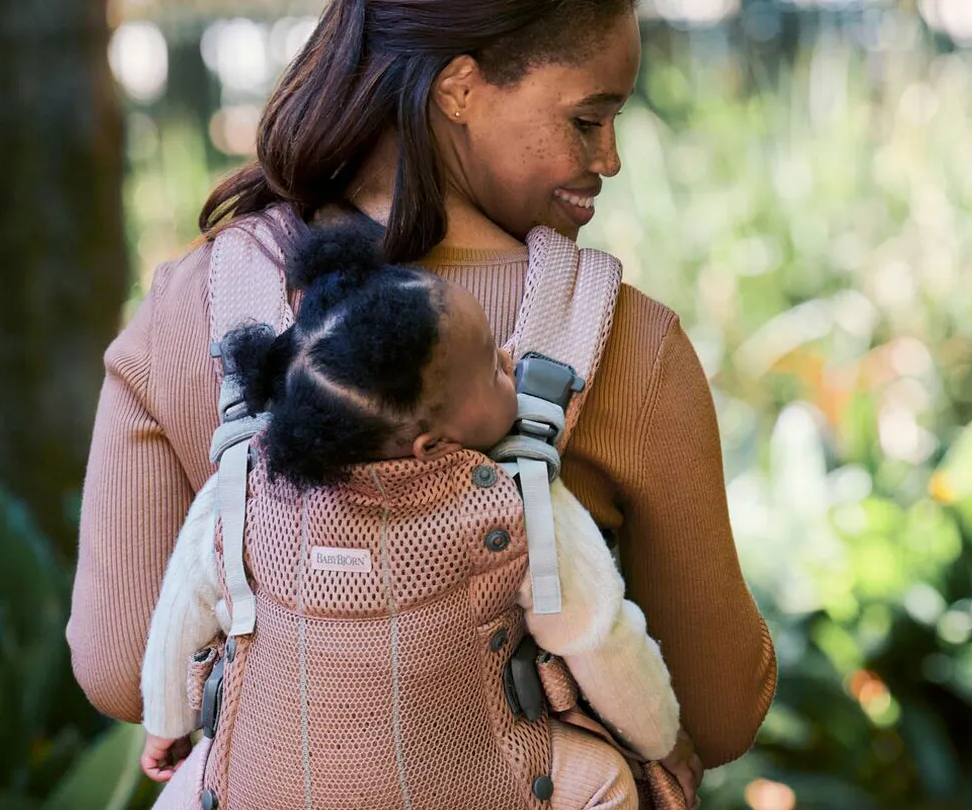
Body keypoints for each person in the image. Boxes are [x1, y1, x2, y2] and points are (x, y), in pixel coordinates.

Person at [68, 0, 776, 802]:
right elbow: (719, 716)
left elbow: (119, 672)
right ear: (459, 88)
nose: (609, 158)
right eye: (588, 119)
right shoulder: (627, 345)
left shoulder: (190, 308)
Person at [136, 225, 681, 806]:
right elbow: (601, 636)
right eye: (494, 372)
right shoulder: (516, 499)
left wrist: (167, 721)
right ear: (432, 446)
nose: (507, 358)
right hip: (473, 781)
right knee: (607, 783)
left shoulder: (241, 485)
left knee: (195, 789)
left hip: (268, 784)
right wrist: (658, 739)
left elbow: (182, 610)